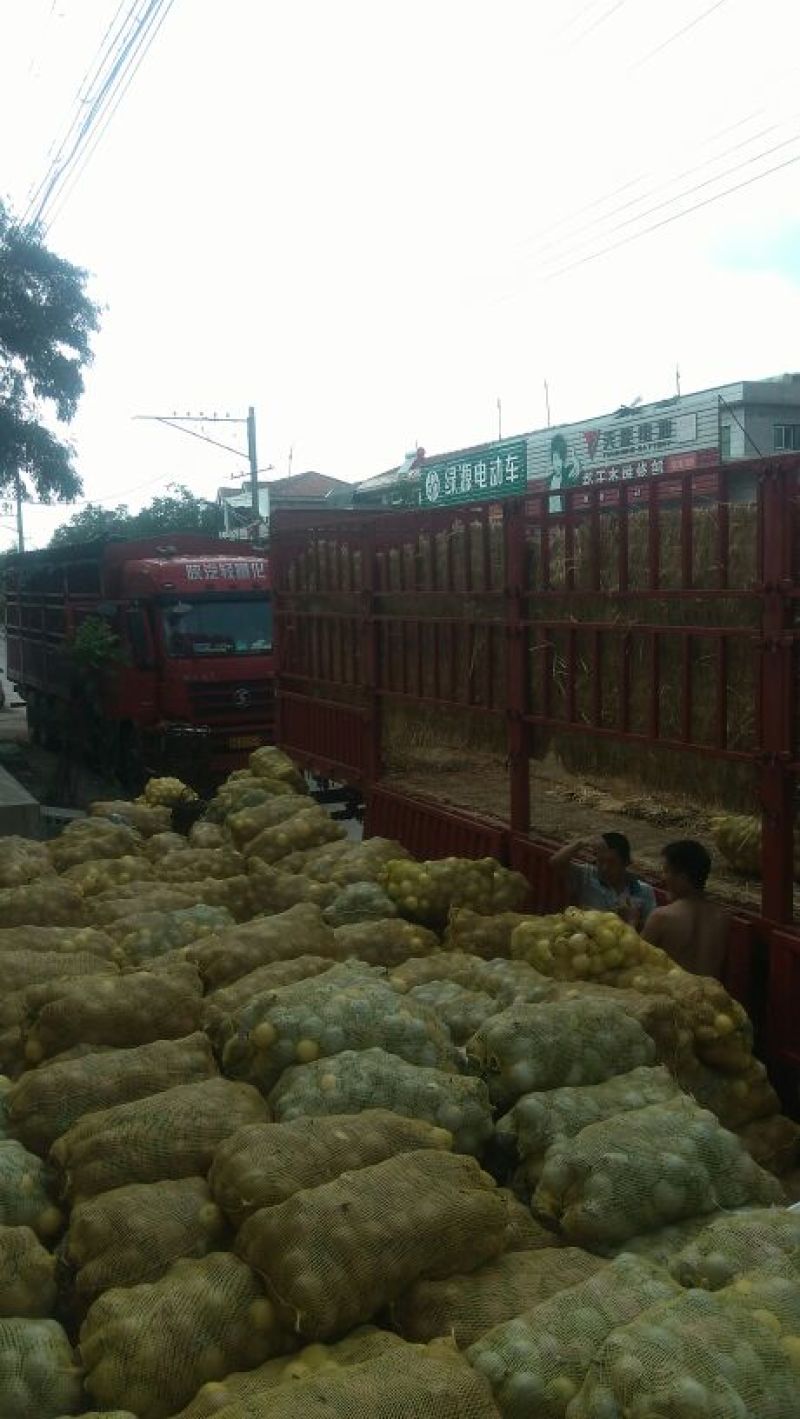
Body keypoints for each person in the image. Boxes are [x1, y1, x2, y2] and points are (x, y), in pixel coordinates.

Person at [642, 839, 728, 979]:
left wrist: (630, 921)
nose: (662, 877)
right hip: (711, 996)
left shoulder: (662, 917)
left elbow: (637, 962)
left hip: (674, 996)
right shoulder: (722, 917)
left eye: (666, 871)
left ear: (683, 878)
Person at [550, 831, 657, 929]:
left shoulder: (642, 891)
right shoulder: (587, 875)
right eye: (600, 861)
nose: (605, 868)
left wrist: (632, 920)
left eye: (612, 862)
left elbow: (649, 934)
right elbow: (556, 862)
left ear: (626, 863)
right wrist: (581, 843)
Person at [548, 433, 582, 513]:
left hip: (564, 518)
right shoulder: (548, 480)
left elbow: (577, 475)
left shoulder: (567, 474)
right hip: (550, 520)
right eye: (555, 459)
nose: (558, 463)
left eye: (561, 459)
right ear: (552, 461)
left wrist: (576, 463)